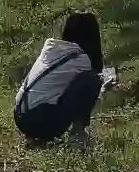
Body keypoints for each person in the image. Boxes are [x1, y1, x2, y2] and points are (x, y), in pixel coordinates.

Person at [13, 11, 116, 148]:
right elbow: (92, 83)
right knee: (92, 79)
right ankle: (78, 135)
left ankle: (35, 137)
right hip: (38, 121)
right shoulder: (80, 58)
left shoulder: (52, 50)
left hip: (20, 117)